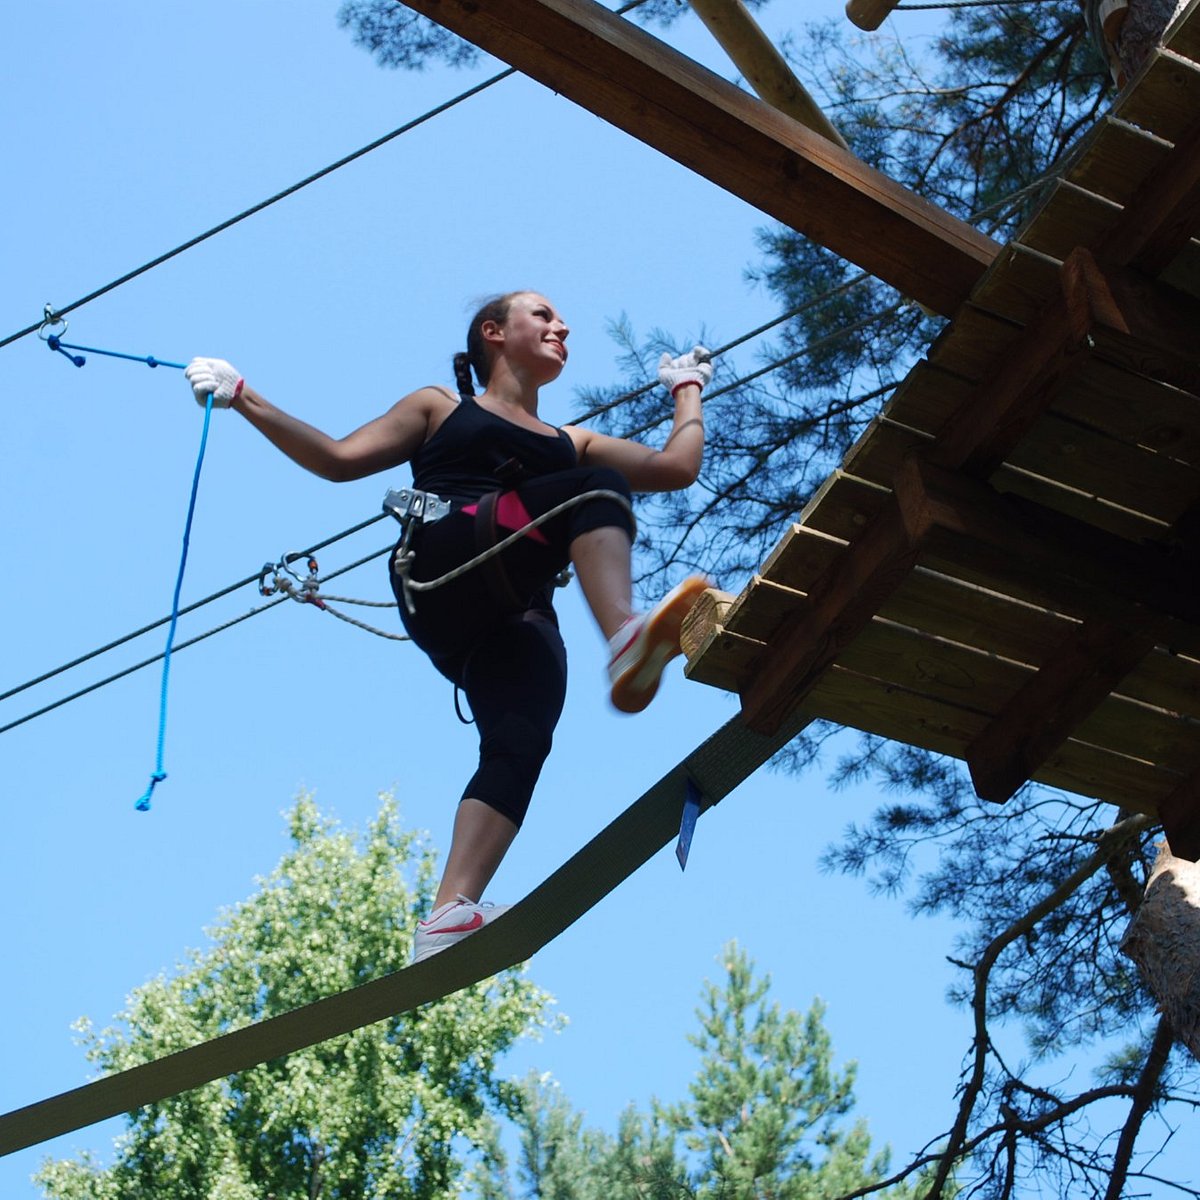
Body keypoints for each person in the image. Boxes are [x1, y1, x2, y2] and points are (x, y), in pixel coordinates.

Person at [184, 291, 712, 963]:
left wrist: (688, 389)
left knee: (522, 741)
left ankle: (446, 914)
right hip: (445, 558)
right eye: (543, 315)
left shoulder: (569, 441)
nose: (563, 326)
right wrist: (243, 396)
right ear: (494, 332)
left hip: (510, 614)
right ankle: (625, 638)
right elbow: (340, 458)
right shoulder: (441, 407)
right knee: (595, 486)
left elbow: (677, 468)